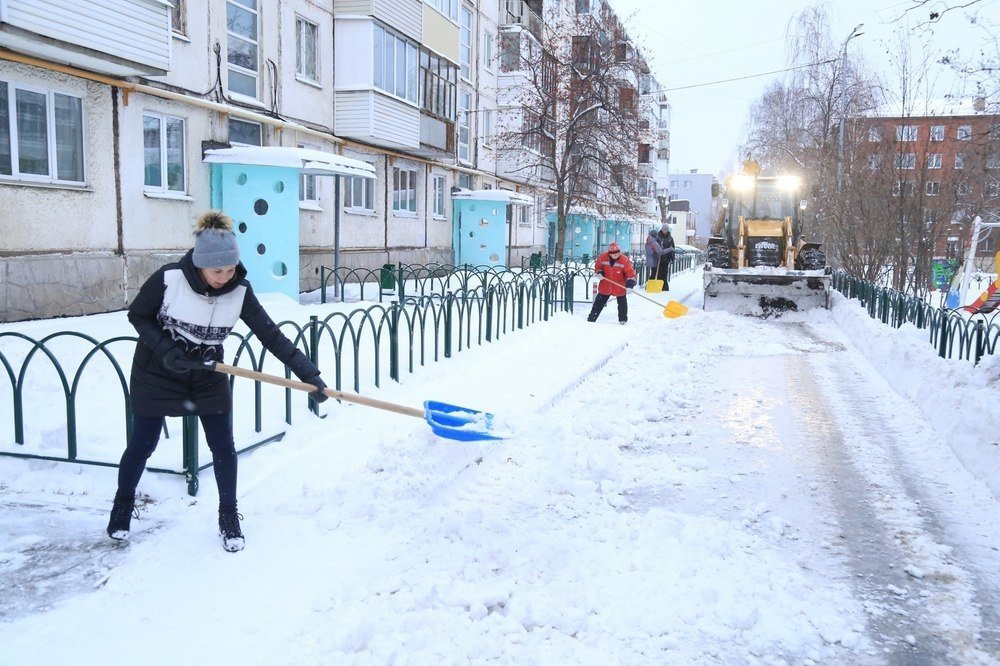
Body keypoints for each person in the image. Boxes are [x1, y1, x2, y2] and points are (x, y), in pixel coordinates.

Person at [107, 210, 329, 552]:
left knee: (223, 447)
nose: (225, 277)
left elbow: (270, 335)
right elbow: (138, 315)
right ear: (200, 264)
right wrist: (166, 349)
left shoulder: (239, 290)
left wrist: (308, 374)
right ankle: (123, 505)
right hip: (157, 371)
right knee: (143, 444)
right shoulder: (169, 279)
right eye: (217, 271)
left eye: (230, 269)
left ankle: (228, 516)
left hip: (208, 372)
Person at [587, 241, 637, 325]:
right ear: (609, 253)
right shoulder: (603, 257)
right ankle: (591, 318)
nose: (616, 255)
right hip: (605, 284)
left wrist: (630, 284)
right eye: (614, 254)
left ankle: (623, 320)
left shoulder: (624, 260)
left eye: (617, 253)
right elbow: (598, 267)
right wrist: (599, 273)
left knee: (622, 304)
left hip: (619, 285)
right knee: (598, 302)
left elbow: (630, 274)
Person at [655, 223, 676, 289]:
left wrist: (672, 257)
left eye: (666, 230)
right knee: (659, 272)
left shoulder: (670, 238)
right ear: (662, 229)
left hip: (666, 258)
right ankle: (658, 286)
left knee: (664, 272)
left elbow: (672, 248)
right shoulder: (658, 237)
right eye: (664, 230)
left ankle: (664, 286)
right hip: (659, 258)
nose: (665, 231)